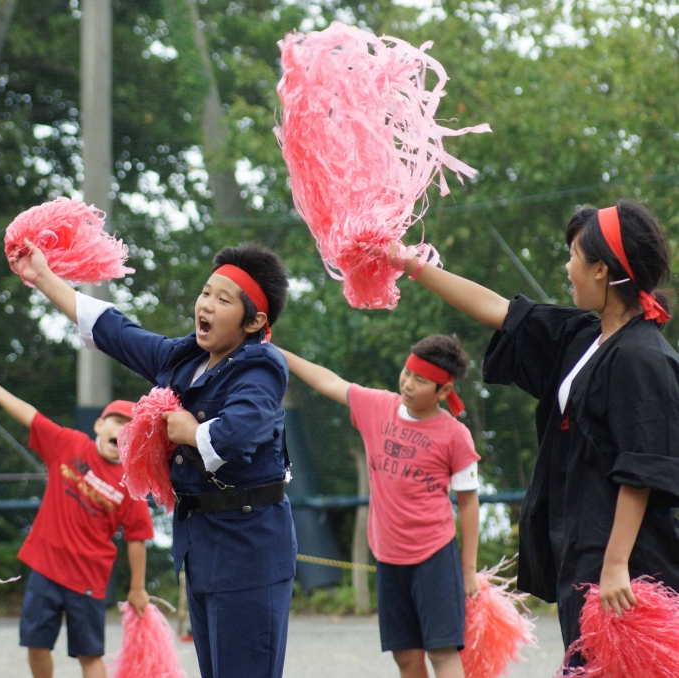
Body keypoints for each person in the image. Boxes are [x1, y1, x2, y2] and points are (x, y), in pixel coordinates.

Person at [397, 200, 679, 663]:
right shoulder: (587, 335)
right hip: (582, 551)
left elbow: (642, 469)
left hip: (624, 567)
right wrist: (408, 262)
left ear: (602, 271)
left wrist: (615, 565)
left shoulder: (642, 356)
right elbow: (498, 309)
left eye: (573, 256)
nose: (567, 268)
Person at [9, 239, 296, 678]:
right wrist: (43, 277)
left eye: (223, 299)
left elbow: (243, 427)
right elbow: (116, 331)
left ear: (254, 320)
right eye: (206, 292)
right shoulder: (186, 357)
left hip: (250, 552)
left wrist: (193, 432)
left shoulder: (261, 366)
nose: (207, 304)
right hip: (202, 548)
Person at [282, 336, 480, 678]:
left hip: (434, 555)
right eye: (407, 373)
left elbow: (469, 502)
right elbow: (329, 381)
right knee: (405, 657)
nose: (408, 383)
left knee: (442, 652)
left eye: (420, 381)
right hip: (388, 555)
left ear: (444, 392)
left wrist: (468, 570)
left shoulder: (455, 434)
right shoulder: (377, 406)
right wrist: (278, 353)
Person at [0, 372, 153, 678]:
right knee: (36, 646)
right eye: (116, 421)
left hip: (88, 579)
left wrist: (137, 589)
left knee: (90, 654)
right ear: (99, 425)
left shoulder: (132, 483)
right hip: (45, 568)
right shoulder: (69, 443)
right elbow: (32, 417)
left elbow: (138, 538)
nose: (122, 429)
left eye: (130, 427)